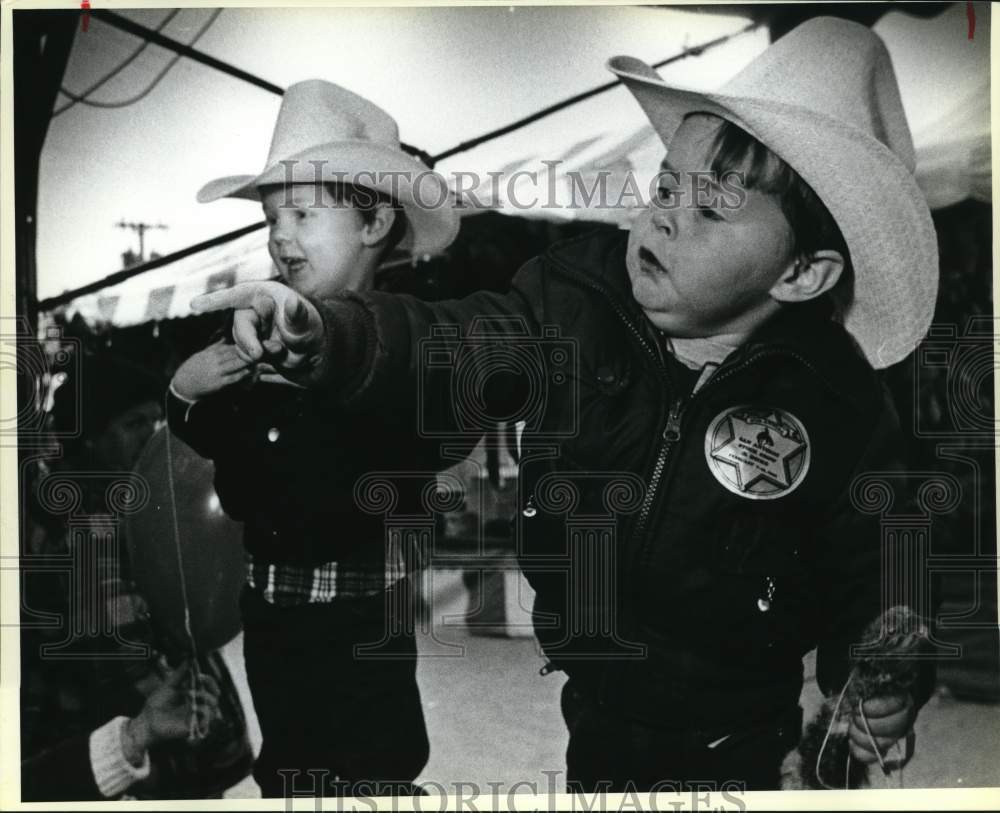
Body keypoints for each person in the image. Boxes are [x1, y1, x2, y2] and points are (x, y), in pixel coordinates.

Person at [192, 19, 938, 791]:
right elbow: (458, 342)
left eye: (711, 210)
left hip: (743, 729)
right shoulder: (575, 302)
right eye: (666, 186)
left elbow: (883, 552)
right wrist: (333, 338)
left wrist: (881, 673)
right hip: (597, 704)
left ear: (803, 273)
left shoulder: (834, 398)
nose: (666, 216)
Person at [167, 80, 459, 797]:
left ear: (373, 223)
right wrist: (185, 394)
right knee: (291, 761)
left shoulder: (404, 333)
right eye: (271, 217)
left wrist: (326, 382)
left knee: (373, 758)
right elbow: (218, 438)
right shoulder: (255, 322)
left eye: (301, 212)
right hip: (272, 602)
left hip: (359, 606)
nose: (279, 235)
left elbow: (434, 433)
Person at [21, 350, 250, 801]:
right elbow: (127, 666)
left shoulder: (135, 509)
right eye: (131, 425)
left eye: (154, 422)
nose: (149, 437)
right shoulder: (87, 535)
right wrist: (208, 730)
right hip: (139, 771)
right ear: (90, 441)